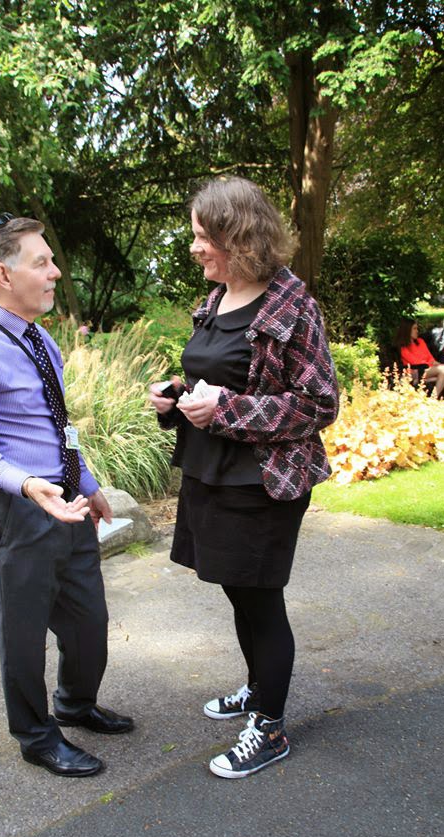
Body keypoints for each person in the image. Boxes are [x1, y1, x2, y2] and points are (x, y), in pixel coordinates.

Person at [149, 177, 339, 779]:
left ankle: (272, 728)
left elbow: (320, 404)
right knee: (237, 589)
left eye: (204, 237)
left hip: (263, 481)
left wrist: (226, 411)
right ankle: (259, 689)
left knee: (261, 599)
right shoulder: (216, 298)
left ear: (239, 237)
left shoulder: (291, 305)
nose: (194, 248)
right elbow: (220, 376)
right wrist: (177, 396)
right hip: (211, 472)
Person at [0, 214, 133, 779]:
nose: (55, 271)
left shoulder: (41, 339)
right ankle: (36, 736)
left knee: (89, 624)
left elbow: (57, 424)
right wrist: (27, 484)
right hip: (15, 511)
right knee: (21, 635)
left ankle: (74, 704)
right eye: (41, 262)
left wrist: (87, 483)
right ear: (3, 273)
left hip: (66, 502)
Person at [395, 317, 444, 398]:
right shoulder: (403, 346)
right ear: (407, 330)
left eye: (417, 328)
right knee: (442, 370)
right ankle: (433, 398)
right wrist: (431, 364)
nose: (417, 331)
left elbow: (430, 358)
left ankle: (433, 397)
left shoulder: (421, 341)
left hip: (426, 370)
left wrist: (437, 364)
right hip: (414, 372)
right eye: (414, 329)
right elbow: (415, 362)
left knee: (442, 371)